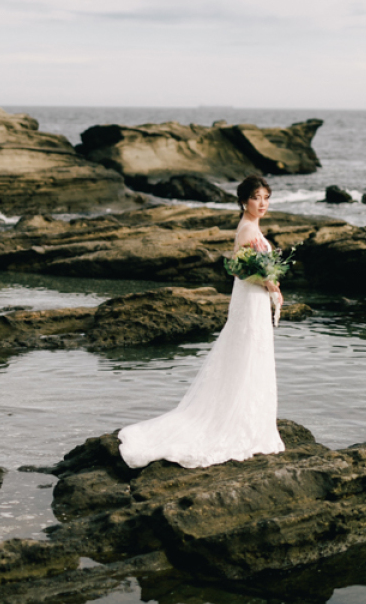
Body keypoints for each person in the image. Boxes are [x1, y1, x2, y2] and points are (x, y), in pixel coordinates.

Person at [117, 173, 285, 469]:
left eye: (266, 198)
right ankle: (238, 420)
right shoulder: (247, 229)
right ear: (243, 201)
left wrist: (271, 282)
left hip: (254, 301)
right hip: (249, 300)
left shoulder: (251, 227)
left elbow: (248, 269)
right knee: (247, 353)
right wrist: (269, 283)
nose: (262, 203)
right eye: (256, 197)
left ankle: (250, 416)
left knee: (251, 355)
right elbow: (239, 271)